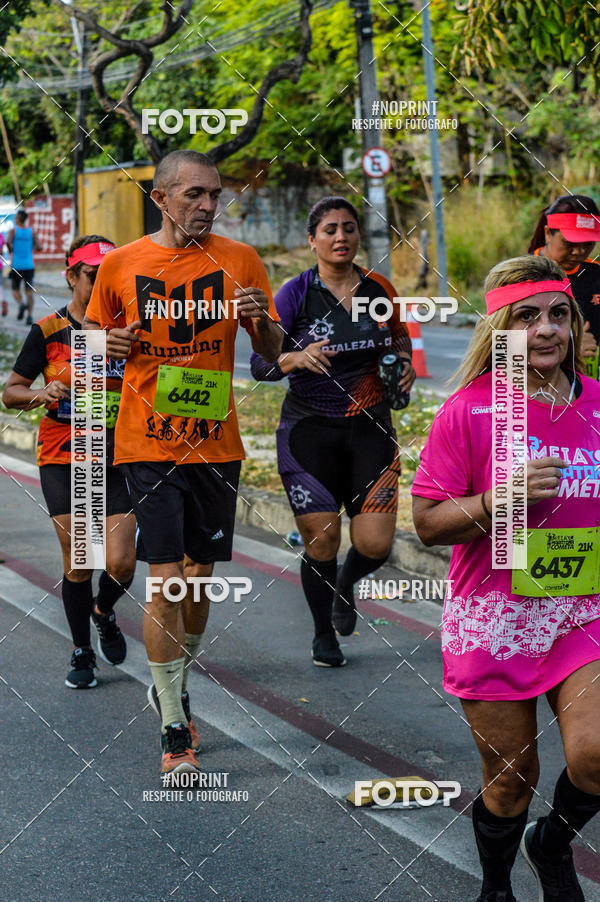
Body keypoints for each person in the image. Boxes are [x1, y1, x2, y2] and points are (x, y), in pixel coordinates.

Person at [83, 149, 282, 775]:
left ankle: (177, 683)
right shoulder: (121, 264)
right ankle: (174, 726)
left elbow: (273, 353)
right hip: (148, 442)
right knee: (167, 578)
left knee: (197, 577)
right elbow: (90, 348)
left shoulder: (240, 260)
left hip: (215, 444)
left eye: (214, 194)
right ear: (162, 197)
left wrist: (261, 323)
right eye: (194, 193)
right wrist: (106, 344)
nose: (207, 204)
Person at [412, 253, 600, 902]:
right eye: (527, 317)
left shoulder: (598, 405)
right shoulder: (469, 411)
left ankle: (551, 843)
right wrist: (500, 499)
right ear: (500, 330)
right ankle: (495, 888)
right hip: (496, 615)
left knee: (596, 756)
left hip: (582, 609)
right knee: (511, 781)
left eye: (559, 314)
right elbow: (428, 524)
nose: (546, 329)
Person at [251, 196, 414, 668]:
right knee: (322, 541)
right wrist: (295, 358)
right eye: (330, 230)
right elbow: (261, 365)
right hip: (309, 434)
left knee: (375, 546)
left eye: (349, 227)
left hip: (371, 429)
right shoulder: (295, 294)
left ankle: (346, 582)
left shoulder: (379, 287)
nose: (341, 236)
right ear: (312, 240)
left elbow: (398, 336)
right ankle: (323, 634)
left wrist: (404, 364)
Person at [2, 236, 136, 689]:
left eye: (113, 276)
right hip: (65, 453)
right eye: (95, 276)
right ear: (72, 276)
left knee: (121, 563)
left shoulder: (129, 329)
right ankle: (82, 650)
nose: (104, 284)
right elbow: (10, 392)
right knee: (81, 560)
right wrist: (42, 392)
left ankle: (104, 610)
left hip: (120, 454)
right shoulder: (48, 330)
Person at [528, 193, 600, 376]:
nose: (579, 251)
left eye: (588, 244)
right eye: (570, 243)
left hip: (590, 386)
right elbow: (501, 347)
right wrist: (570, 351)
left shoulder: (596, 275)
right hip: (535, 386)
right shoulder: (519, 276)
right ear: (548, 233)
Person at [7, 209, 41, 325]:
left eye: (15, 217)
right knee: (29, 291)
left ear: (18, 219)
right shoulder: (32, 232)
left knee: (15, 289)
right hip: (29, 265)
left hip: (16, 265)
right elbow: (40, 247)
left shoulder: (13, 231)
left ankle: (21, 304)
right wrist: (32, 247)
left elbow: (8, 243)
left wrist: (12, 250)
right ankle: (29, 316)